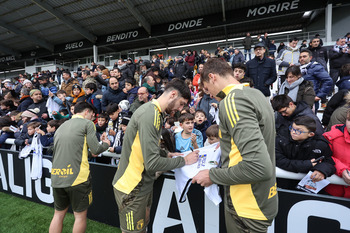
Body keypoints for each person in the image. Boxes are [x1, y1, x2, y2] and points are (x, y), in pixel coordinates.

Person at [192, 58, 278, 233]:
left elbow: (258, 167)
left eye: (207, 89)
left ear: (212, 77)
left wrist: (213, 175)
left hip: (246, 204)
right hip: (262, 199)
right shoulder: (256, 94)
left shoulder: (232, 101)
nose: (209, 94)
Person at [112, 78, 199, 233]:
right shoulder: (150, 114)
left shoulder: (155, 112)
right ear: (172, 94)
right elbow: (152, 163)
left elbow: (145, 146)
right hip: (132, 186)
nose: (179, 109)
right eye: (181, 104)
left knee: (144, 225)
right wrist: (183, 160)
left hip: (141, 183)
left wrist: (166, 153)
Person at [49, 102, 110, 233]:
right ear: (86, 112)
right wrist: (105, 143)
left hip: (56, 176)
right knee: (80, 216)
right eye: (92, 115)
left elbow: (75, 150)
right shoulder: (87, 124)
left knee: (58, 215)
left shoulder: (62, 125)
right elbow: (95, 150)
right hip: (78, 178)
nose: (93, 118)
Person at [275, 116, 335, 190]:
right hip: (282, 184)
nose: (293, 132)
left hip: (307, 188)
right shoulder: (281, 139)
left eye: (298, 131)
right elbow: (279, 161)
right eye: (292, 128)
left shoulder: (320, 144)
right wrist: (306, 164)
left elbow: (329, 162)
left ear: (311, 134)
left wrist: (321, 170)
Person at [323, 109, 350, 198]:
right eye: (349, 120)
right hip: (333, 193)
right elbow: (323, 157)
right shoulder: (331, 137)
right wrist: (342, 170)